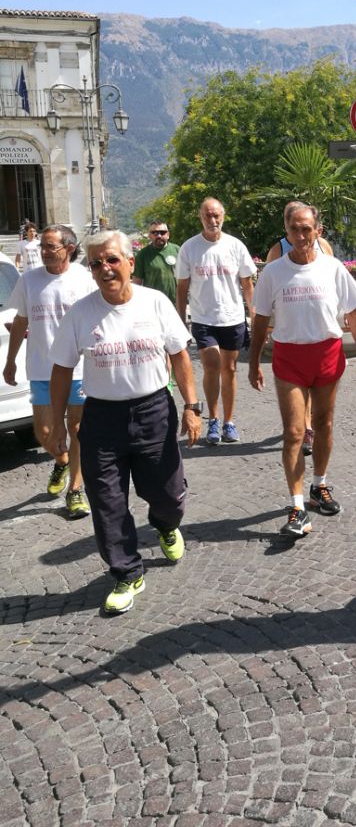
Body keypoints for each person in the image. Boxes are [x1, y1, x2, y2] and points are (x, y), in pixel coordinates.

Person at [48, 231, 202, 615]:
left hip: (154, 411)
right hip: (102, 418)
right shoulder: (80, 313)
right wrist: (55, 422)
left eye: (112, 260)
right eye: (96, 263)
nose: (105, 269)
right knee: (107, 502)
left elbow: (180, 356)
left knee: (168, 494)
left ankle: (166, 526)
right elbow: (62, 370)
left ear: (130, 263)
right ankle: (127, 572)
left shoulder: (155, 303)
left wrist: (192, 406)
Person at [249, 204, 356, 538]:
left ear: (317, 231)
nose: (301, 236)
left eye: (307, 229)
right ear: (286, 233)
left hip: (327, 355)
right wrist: (253, 361)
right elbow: (260, 319)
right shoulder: (273, 273)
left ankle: (319, 486)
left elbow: (354, 312)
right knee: (293, 432)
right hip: (289, 358)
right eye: (294, 230)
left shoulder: (333, 268)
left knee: (323, 424)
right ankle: (297, 506)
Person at [3, 224, 94, 517]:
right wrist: (11, 360)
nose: (44, 252)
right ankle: (62, 461)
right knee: (44, 432)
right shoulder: (29, 280)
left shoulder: (85, 278)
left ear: (69, 248)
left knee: (76, 428)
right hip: (42, 367)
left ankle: (76, 489)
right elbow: (19, 321)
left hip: (78, 367)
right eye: (42, 246)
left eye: (50, 247)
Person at [176, 198, 256, 444]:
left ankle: (229, 422)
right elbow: (182, 288)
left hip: (232, 318)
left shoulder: (235, 246)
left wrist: (254, 314)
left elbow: (246, 283)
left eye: (216, 216)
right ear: (200, 216)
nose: (212, 220)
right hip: (203, 318)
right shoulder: (189, 248)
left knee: (229, 369)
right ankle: (213, 418)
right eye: (207, 216)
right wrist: (181, 321)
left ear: (223, 216)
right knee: (211, 365)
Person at [264, 200, 334, 456]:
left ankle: (313, 425)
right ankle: (305, 430)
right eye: (289, 221)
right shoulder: (278, 250)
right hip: (292, 334)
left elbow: (332, 279)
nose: (298, 231)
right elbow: (268, 292)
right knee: (300, 387)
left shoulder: (324, 247)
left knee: (318, 389)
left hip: (321, 330)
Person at [132, 220, 180, 305]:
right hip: (152, 304)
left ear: (168, 235)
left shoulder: (177, 250)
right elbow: (137, 281)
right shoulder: (143, 254)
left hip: (176, 302)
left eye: (162, 232)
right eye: (154, 232)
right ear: (150, 235)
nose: (159, 235)